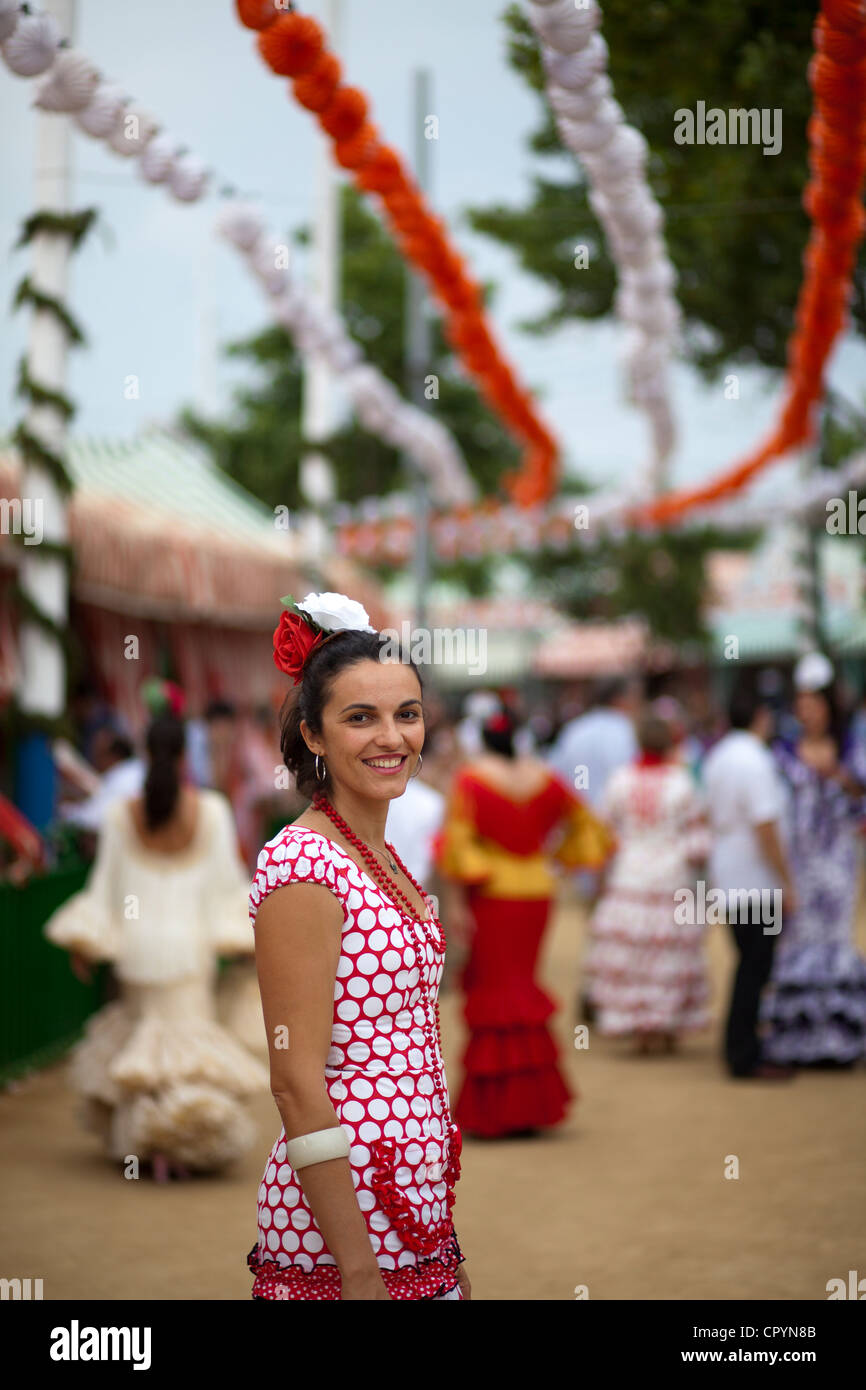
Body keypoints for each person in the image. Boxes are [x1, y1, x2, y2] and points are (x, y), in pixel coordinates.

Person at [247, 591, 469, 1301]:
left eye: (407, 714)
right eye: (360, 718)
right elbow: (293, 1080)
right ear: (313, 735)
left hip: (416, 1208)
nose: (391, 737)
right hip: (341, 1222)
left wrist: (444, 1240)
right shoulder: (304, 866)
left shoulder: (380, 852)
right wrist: (359, 1271)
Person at [43, 713, 268, 1179]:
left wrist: (86, 942)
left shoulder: (119, 814)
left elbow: (106, 887)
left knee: (145, 1046)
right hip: (191, 949)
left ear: (145, 752)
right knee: (184, 1047)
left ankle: (149, 1148)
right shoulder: (212, 810)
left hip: (137, 947)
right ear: (188, 754)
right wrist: (241, 938)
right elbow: (226, 885)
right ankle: (180, 1147)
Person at [434, 708, 613, 1138]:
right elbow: (590, 826)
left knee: (496, 991)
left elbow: (456, 846)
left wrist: (458, 903)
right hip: (537, 893)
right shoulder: (544, 777)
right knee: (522, 987)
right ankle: (530, 1104)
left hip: (493, 896)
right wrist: (557, 862)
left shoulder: (471, 778)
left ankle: (495, 1109)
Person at [760, 654, 866, 1066]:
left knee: (834, 938)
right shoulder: (783, 753)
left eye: (814, 704)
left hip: (837, 860)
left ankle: (835, 1039)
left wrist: (839, 778)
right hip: (799, 860)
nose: (807, 712)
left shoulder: (850, 749)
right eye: (801, 705)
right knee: (798, 936)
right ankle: (797, 1039)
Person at [584, 711, 711, 1052]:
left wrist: (599, 876)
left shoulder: (619, 780)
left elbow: (603, 833)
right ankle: (667, 1028)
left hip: (630, 875)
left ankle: (641, 1031)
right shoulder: (682, 781)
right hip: (672, 877)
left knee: (635, 954)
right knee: (670, 953)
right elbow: (699, 839)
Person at [702, 687, 797, 1081]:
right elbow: (766, 826)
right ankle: (744, 1053)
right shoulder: (754, 760)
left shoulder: (720, 756)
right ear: (761, 715)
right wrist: (786, 880)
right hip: (756, 879)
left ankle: (740, 1045)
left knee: (748, 962)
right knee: (756, 966)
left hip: (730, 872)